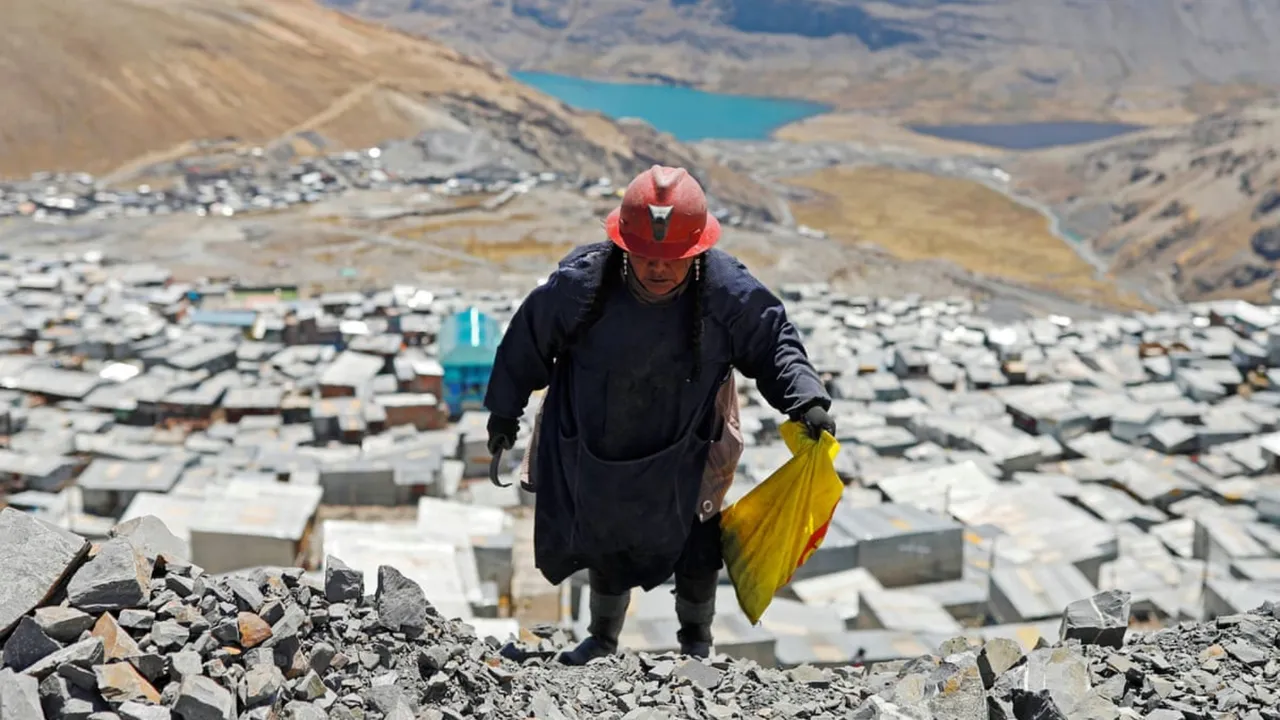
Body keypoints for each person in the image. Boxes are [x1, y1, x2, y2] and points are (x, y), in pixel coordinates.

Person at [484, 165, 835, 665]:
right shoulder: (581, 286)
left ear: (697, 252)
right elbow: (525, 343)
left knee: (698, 545)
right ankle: (602, 640)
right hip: (600, 448)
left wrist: (807, 399)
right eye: (645, 255)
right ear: (623, 244)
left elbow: (773, 342)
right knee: (607, 540)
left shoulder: (725, 291)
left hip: (690, 448)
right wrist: (504, 414)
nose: (658, 269)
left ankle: (697, 645)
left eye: (673, 259)